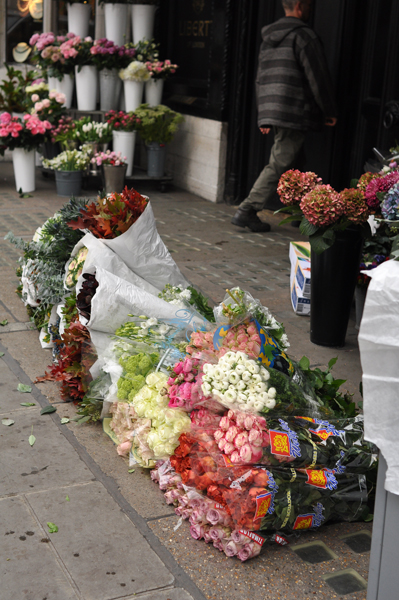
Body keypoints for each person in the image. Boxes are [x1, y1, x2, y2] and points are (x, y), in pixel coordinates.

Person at [231, 0, 337, 232]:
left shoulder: (268, 38)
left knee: (295, 164)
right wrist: (328, 110)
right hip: (294, 111)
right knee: (279, 163)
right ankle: (247, 209)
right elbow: (317, 76)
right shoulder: (304, 36)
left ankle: (304, 213)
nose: (311, 9)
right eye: (308, 5)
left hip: (275, 110)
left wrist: (265, 115)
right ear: (299, 6)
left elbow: (262, 78)